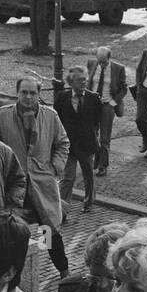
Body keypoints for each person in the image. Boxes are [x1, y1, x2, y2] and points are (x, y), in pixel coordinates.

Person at [0, 77, 71, 276]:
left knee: (49, 229)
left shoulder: (50, 116)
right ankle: (16, 272)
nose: (28, 97)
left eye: (32, 93)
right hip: (14, 186)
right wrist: (1, 173)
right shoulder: (2, 116)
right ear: (17, 92)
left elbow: (63, 143)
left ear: (39, 95)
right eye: (24, 92)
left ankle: (63, 269)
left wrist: (54, 167)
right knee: (14, 231)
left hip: (42, 184)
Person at [54, 65, 102, 214]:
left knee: (88, 175)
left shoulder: (94, 98)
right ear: (71, 82)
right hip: (68, 145)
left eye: (85, 80)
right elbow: (57, 120)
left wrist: (94, 137)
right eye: (80, 80)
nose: (83, 83)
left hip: (87, 144)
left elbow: (97, 121)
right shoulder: (62, 97)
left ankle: (88, 202)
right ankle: (63, 208)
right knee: (68, 177)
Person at [86, 46, 128, 177]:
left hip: (107, 105)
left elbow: (123, 89)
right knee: (92, 134)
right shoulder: (91, 63)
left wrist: (113, 103)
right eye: (99, 61)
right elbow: (88, 82)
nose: (101, 64)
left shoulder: (118, 69)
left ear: (109, 59)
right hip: (92, 104)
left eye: (103, 61)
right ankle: (97, 158)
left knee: (105, 137)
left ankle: (103, 166)